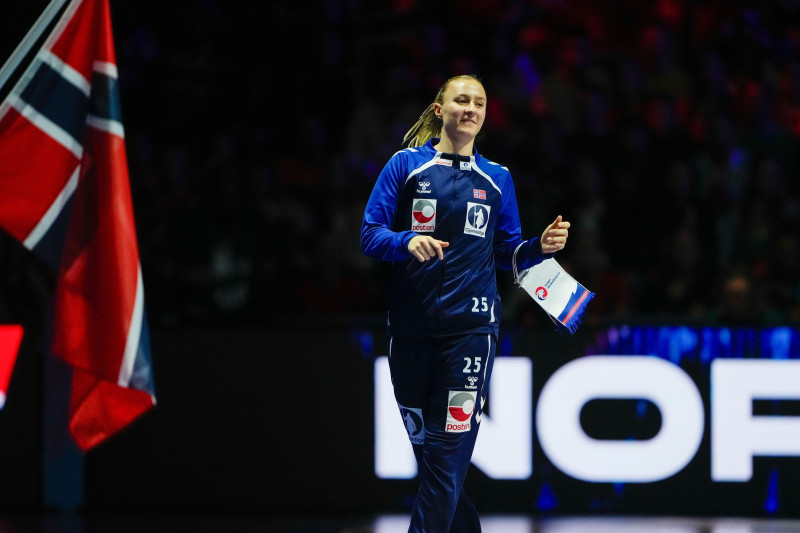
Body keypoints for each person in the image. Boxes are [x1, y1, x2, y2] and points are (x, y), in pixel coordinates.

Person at [360, 74, 570, 532]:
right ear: (440, 110)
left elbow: (507, 252)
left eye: (479, 102)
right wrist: (405, 241)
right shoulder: (405, 165)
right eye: (461, 100)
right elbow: (370, 235)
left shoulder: (497, 179)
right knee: (434, 463)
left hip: (470, 333)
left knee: (445, 459)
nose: (471, 108)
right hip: (410, 331)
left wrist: (539, 248)